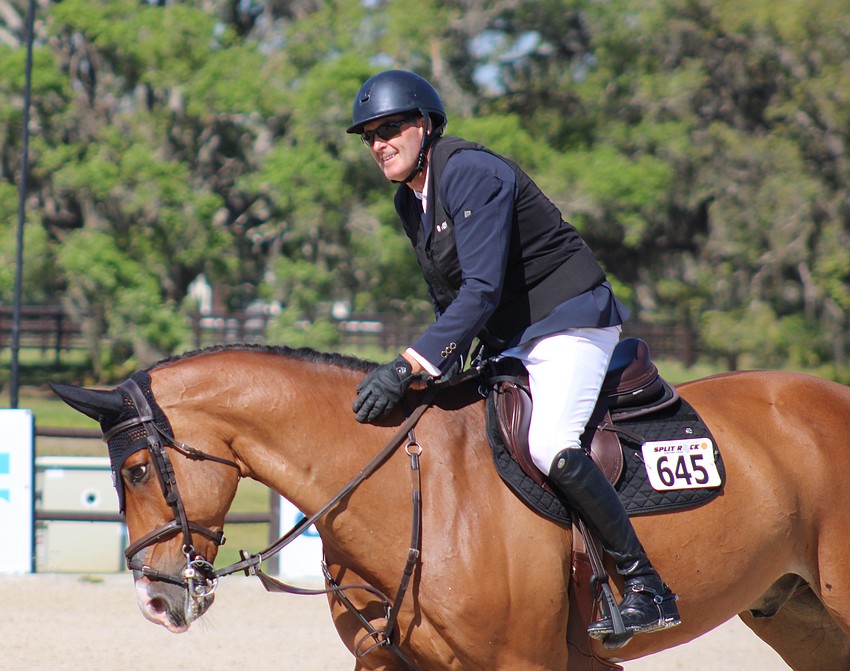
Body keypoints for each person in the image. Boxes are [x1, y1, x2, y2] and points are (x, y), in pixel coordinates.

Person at [347, 69, 680, 647]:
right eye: (369, 135)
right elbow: (449, 298)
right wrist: (436, 373)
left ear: (425, 126)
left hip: (569, 320)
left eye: (391, 128)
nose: (379, 143)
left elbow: (480, 291)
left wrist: (408, 364)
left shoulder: (472, 171)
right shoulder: (411, 199)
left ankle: (646, 585)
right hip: (514, 338)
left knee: (551, 443)